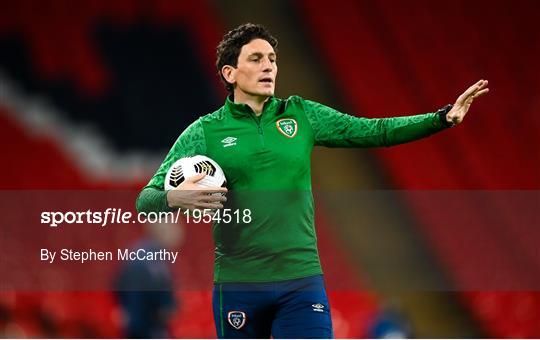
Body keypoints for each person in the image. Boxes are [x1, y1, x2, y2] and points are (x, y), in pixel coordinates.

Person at [136, 23, 489, 338]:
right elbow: (145, 199)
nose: (268, 66)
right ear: (230, 73)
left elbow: (373, 131)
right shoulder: (205, 132)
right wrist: (175, 198)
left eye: (272, 59)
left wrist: (440, 118)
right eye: (256, 58)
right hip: (239, 283)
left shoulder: (301, 114)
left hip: (300, 282)